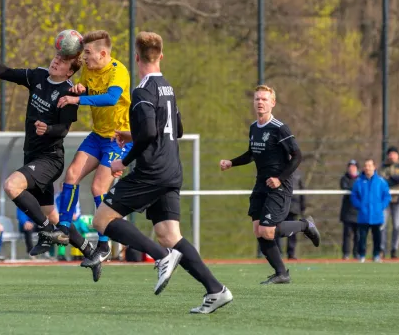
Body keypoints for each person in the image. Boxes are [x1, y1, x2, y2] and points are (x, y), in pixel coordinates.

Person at [86, 31, 232, 314]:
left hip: (152, 170)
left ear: (137, 57)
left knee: (102, 219)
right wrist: (132, 134)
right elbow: (176, 130)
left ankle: (161, 257)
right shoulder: (168, 87)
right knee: (169, 234)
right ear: (161, 56)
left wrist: (122, 161)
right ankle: (216, 289)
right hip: (172, 168)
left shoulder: (141, 91)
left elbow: (151, 132)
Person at [0, 38, 81, 259]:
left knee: (11, 186)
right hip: (33, 157)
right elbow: (4, 72)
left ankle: (46, 231)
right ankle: (88, 250)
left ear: (69, 73)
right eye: (57, 56)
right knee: (53, 215)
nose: (57, 61)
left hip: (50, 159)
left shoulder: (69, 92)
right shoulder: (37, 76)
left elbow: (63, 130)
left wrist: (47, 129)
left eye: (63, 61)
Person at [220, 85, 320, 284]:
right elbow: (251, 154)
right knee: (258, 230)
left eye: (264, 99)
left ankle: (305, 225)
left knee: (267, 230)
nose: (260, 102)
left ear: (272, 103)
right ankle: (281, 273)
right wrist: (231, 162)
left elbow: (297, 156)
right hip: (261, 184)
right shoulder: (253, 128)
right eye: (257, 99)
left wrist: (280, 178)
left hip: (279, 185)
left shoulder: (279, 128)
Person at [54, 30, 132, 268]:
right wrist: (79, 89)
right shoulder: (88, 68)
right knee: (71, 175)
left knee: (98, 187)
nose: (84, 58)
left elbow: (110, 98)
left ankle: (104, 243)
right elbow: (87, 87)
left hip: (120, 138)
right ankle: (65, 227)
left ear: (103, 53)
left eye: (87, 53)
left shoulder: (119, 71)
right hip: (98, 135)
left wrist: (78, 100)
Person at [351, 159, 391, 262]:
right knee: (362, 238)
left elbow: (386, 196)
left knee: (377, 238)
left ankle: (376, 255)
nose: (367, 168)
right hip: (363, 215)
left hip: (377, 215)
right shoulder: (359, 182)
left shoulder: (381, 182)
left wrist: (381, 206)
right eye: (366, 165)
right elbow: (354, 196)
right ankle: (362, 255)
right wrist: (359, 206)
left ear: (374, 167)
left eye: (369, 165)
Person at [377, 146, 399, 259]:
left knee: (397, 225)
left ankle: (394, 249)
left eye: (394, 154)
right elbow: (381, 181)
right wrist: (394, 179)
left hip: (398, 200)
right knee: (383, 225)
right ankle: (381, 249)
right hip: (385, 200)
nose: (392, 156)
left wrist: (392, 178)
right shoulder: (382, 167)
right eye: (390, 154)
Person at [340, 160, 360, 260]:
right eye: (350, 167)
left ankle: (357, 253)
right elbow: (345, 187)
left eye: (354, 167)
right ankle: (346, 254)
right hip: (347, 212)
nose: (352, 169)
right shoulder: (344, 178)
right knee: (347, 234)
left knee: (358, 235)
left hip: (358, 211)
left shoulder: (361, 179)